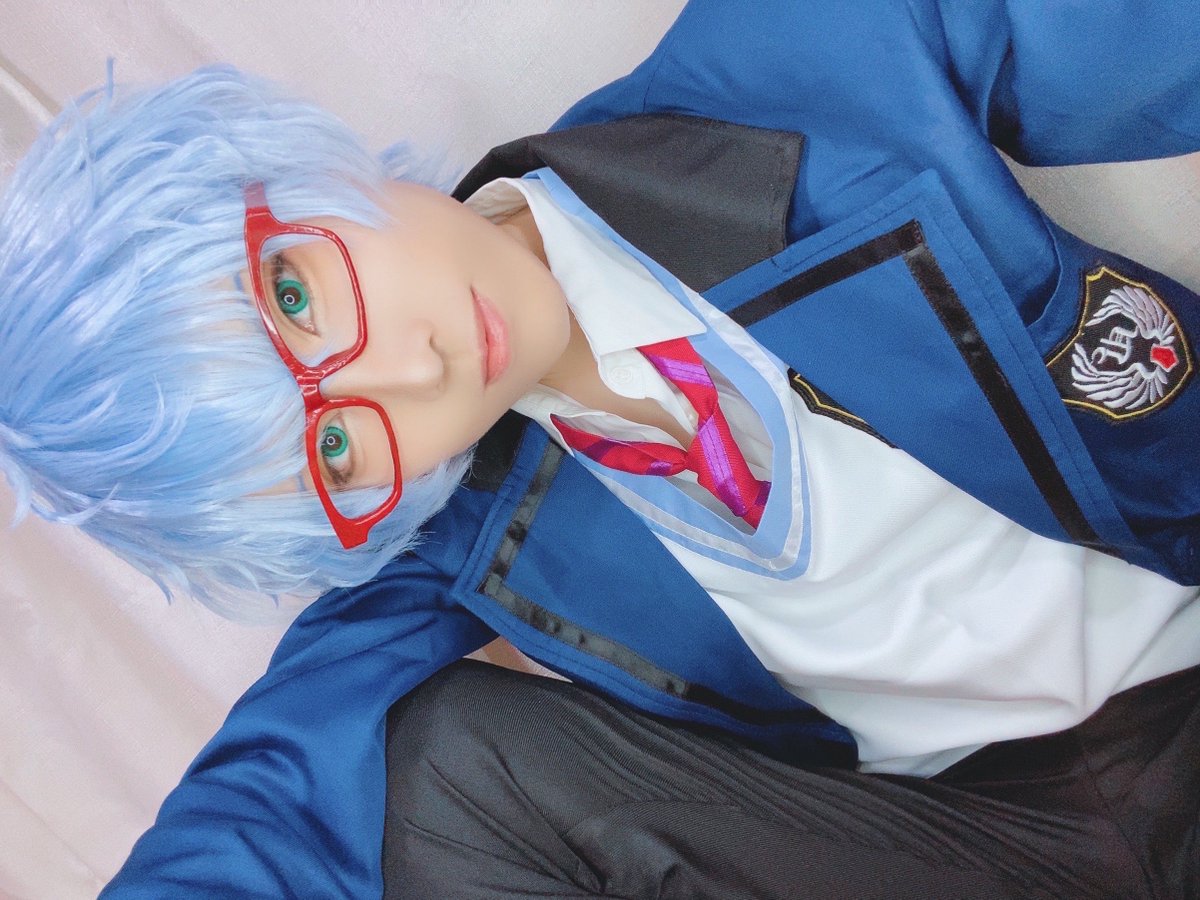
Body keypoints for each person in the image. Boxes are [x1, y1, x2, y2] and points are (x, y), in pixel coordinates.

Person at [1, 1, 1197, 896]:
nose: (414, 366)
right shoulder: (463, 532)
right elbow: (266, 815)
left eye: (296, 297)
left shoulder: (785, 74)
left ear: (281, 170)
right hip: (971, 847)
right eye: (340, 446)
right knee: (436, 769)